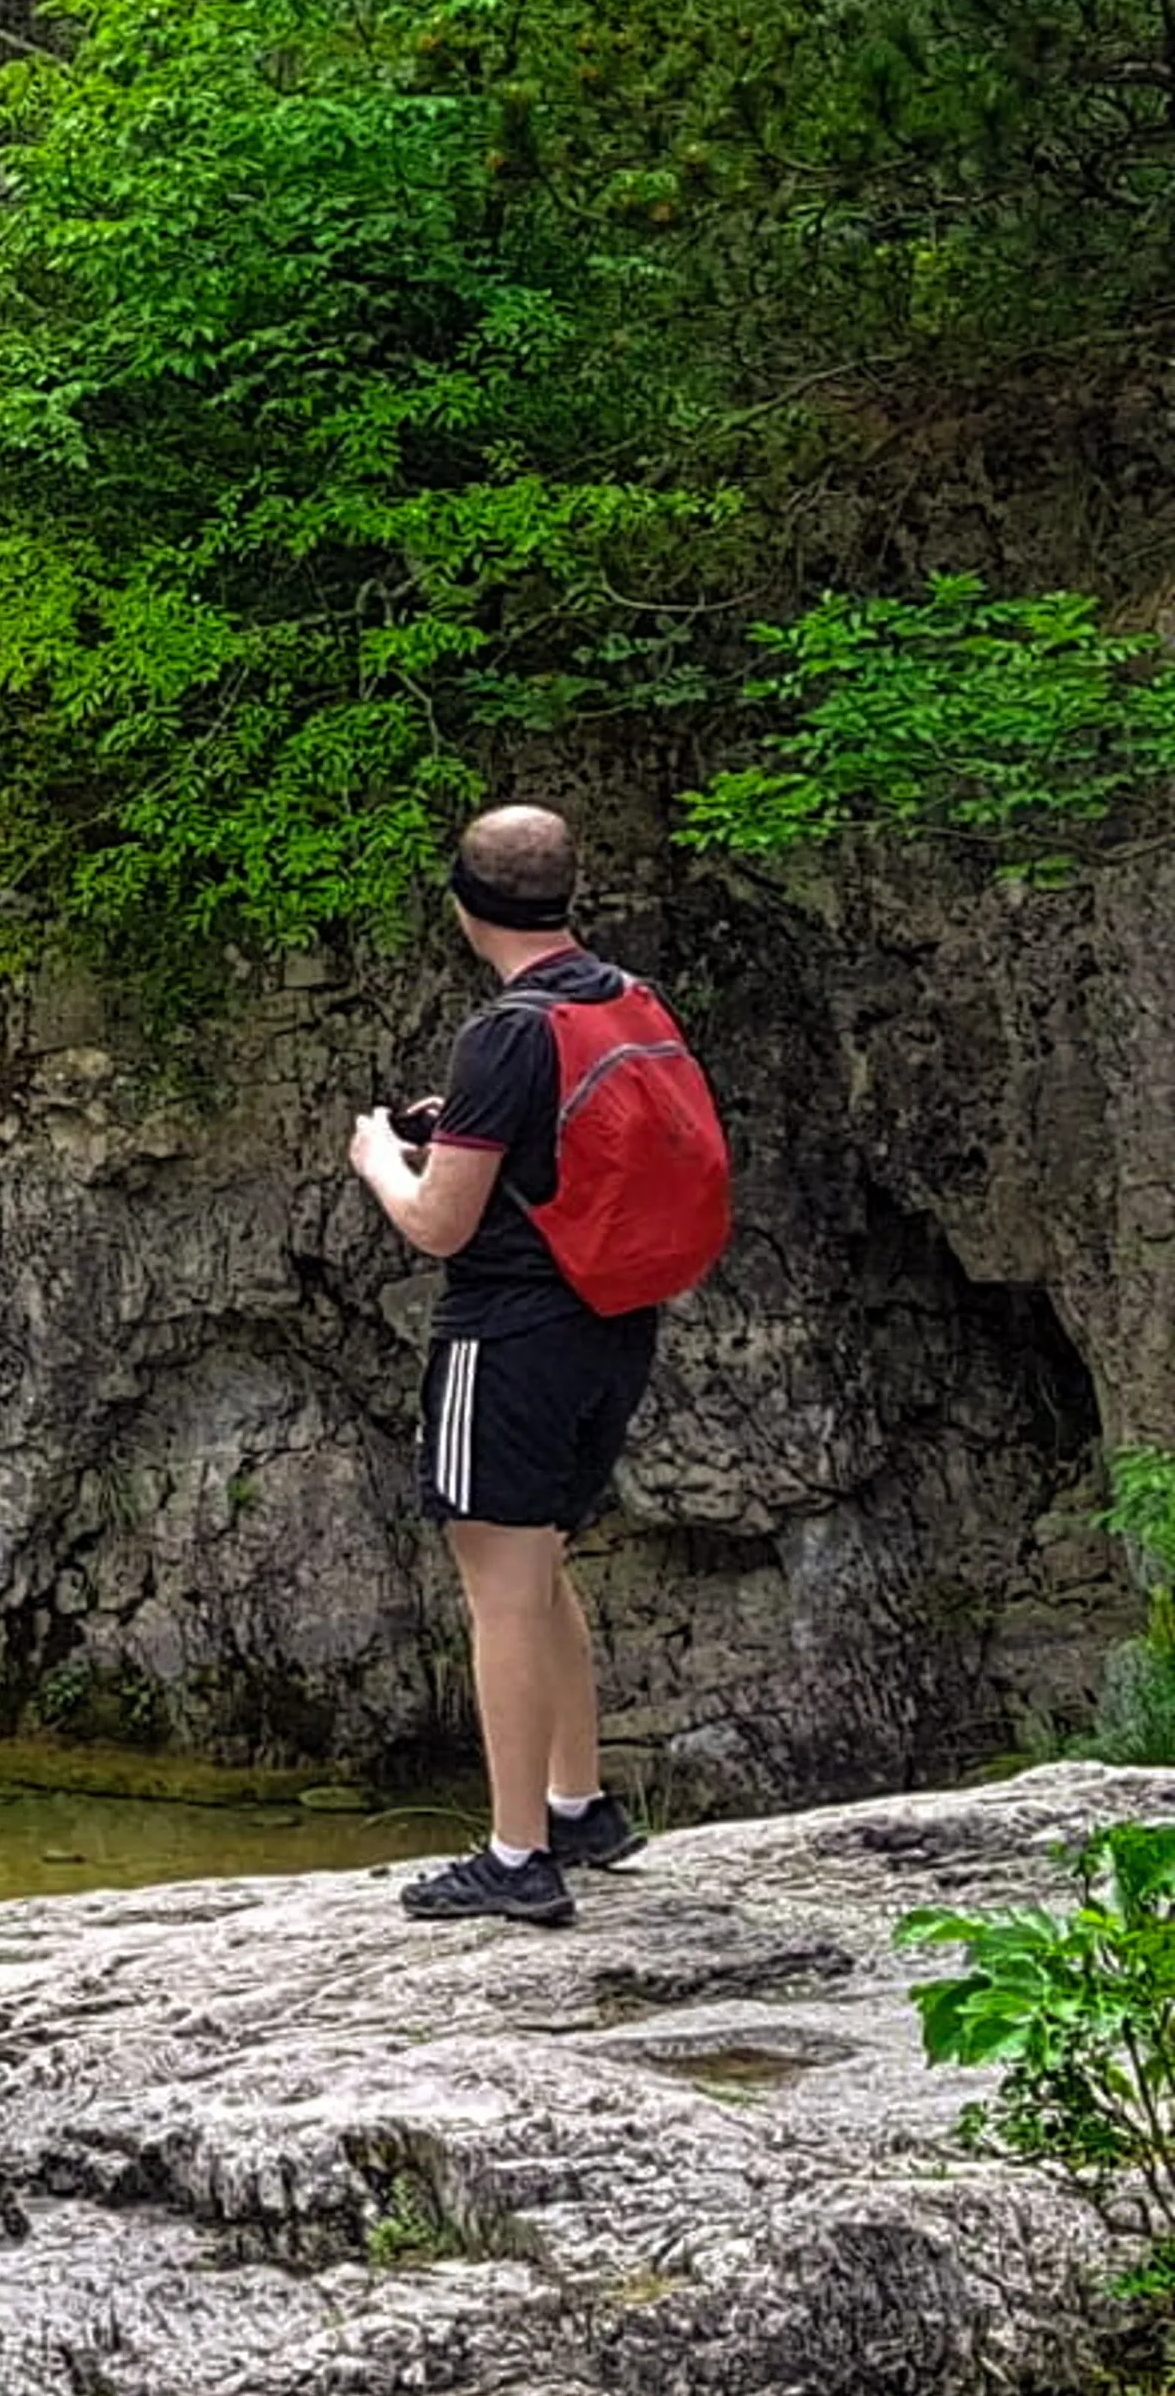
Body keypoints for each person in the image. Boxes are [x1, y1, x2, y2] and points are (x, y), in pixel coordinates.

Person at [347, 803, 693, 1927]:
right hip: (612, 1318)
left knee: (497, 1580)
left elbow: (441, 1223)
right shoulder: (620, 995)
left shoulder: (505, 1030)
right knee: (539, 1563)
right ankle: (579, 1803)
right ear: (568, 894)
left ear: (463, 903)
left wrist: (378, 1160)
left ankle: (514, 1858)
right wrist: (462, 1128)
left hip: (508, 1327)